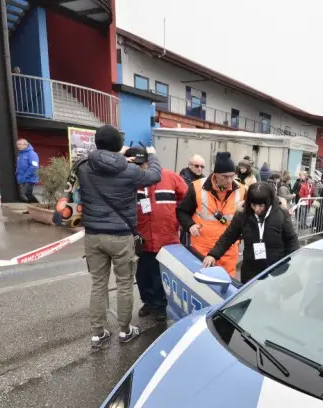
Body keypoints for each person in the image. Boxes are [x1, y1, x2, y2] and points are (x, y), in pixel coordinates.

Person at [78, 125, 162, 347]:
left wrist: (117, 154)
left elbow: (103, 161)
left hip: (93, 235)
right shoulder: (130, 170)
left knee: (98, 284)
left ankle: (98, 333)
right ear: (118, 146)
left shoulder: (83, 167)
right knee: (124, 283)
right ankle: (125, 331)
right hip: (121, 236)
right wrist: (152, 156)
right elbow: (154, 176)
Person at [128, 147, 187, 323]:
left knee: (160, 275)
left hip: (166, 237)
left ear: (150, 161)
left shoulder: (170, 177)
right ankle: (148, 302)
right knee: (143, 274)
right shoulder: (132, 180)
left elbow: (187, 197)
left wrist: (178, 219)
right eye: (137, 165)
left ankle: (160, 306)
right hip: (142, 238)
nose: (141, 168)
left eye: (143, 164)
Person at [203, 181, 299, 283]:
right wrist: (213, 254)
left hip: (276, 268)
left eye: (261, 206)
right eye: (253, 205)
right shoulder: (242, 215)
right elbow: (228, 236)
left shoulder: (281, 214)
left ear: (269, 202)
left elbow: (291, 239)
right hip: (251, 270)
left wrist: (292, 264)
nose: (257, 209)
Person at [176, 151, 246, 277]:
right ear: (215, 174)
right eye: (225, 176)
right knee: (202, 285)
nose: (229, 180)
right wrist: (190, 225)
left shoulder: (242, 190)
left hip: (228, 251)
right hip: (202, 249)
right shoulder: (197, 187)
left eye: (232, 175)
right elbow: (181, 211)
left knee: (227, 289)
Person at [16, 138, 40, 203]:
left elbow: (34, 166)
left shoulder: (31, 154)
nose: (20, 146)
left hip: (29, 179)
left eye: (22, 144)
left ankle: (38, 206)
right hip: (23, 179)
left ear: (26, 145)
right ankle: (32, 208)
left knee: (25, 194)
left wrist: (25, 176)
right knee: (26, 195)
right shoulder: (21, 154)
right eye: (18, 144)